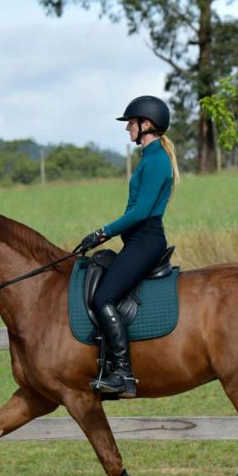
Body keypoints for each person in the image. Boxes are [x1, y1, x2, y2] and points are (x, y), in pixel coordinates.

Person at [76, 94, 180, 398]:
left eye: (130, 123)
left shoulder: (158, 160)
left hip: (146, 240)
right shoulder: (150, 157)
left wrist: (102, 232)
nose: (127, 129)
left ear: (145, 124)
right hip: (137, 240)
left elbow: (140, 211)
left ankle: (123, 373)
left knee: (104, 297)